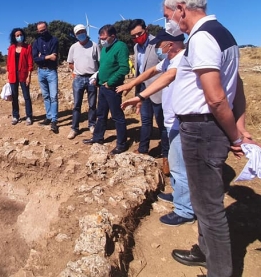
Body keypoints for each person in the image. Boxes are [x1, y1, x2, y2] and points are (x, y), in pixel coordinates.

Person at [163, 0, 257, 277]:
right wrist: (238, 125)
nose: (169, 22)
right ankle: (204, 251)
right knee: (206, 202)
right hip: (207, 129)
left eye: (167, 15)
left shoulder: (202, 38)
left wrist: (236, 136)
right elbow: (236, 85)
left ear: (181, 8)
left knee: (209, 209)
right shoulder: (223, 33)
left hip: (202, 130)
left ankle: (219, 271)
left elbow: (217, 97)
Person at [118, 30, 195, 226]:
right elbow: (151, 71)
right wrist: (133, 83)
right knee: (176, 162)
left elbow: (167, 78)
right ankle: (178, 195)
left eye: (161, 44)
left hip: (179, 119)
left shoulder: (182, 60)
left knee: (179, 165)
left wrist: (140, 97)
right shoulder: (169, 59)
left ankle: (185, 210)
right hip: (172, 117)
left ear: (172, 44)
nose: (159, 47)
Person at [83, 25, 129, 154]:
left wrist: (111, 82)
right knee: (101, 114)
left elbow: (124, 68)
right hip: (102, 86)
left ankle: (121, 144)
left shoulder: (121, 47)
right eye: (99, 38)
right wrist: (98, 78)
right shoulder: (104, 49)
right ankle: (97, 137)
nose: (101, 40)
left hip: (112, 88)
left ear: (112, 36)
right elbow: (103, 66)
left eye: (103, 38)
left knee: (117, 116)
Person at [128, 19, 168, 158]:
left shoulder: (158, 44)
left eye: (139, 34)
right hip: (143, 90)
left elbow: (168, 65)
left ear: (147, 29)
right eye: (133, 36)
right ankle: (143, 148)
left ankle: (165, 153)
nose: (137, 38)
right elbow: (139, 70)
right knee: (145, 121)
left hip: (159, 91)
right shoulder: (136, 47)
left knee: (162, 123)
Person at [66, 24, 100, 139]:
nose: (81, 34)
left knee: (92, 104)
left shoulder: (94, 45)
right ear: (75, 35)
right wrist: (75, 71)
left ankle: (92, 125)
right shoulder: (73, 47)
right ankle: (74, 128)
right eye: (78, 33)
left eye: (82, 32)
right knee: (76, 105)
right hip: (78, 78)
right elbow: (70, 63)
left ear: (86, 32)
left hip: (92, 78)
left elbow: (99, 62)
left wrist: (97, 76)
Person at [32, 21, 59, 133]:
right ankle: (48, 117)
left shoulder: (54, 40)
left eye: (44, 29)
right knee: (46, 96)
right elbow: (35, 58)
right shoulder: (36, 43)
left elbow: (54, 57)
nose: (42, 31)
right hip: (41, 71)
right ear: (38, 31)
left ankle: (54, 120)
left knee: (53, 96)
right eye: (40, 30)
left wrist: (42, 56)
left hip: (51, 71)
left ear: (47, 28)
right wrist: (47, 56)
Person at [6, 28, 34, 125]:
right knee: (14, 96)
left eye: (20, 35)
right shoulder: (11, 48)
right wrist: (8, 75)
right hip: (13, 74)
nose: (19, 37)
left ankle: (29, 116)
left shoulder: (28, 47)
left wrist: (29, 76)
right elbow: (8, 62)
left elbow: (30, 62)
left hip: (24, 74)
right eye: (17, 35)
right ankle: (15, 116)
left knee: (26, 96)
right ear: (14, 37)